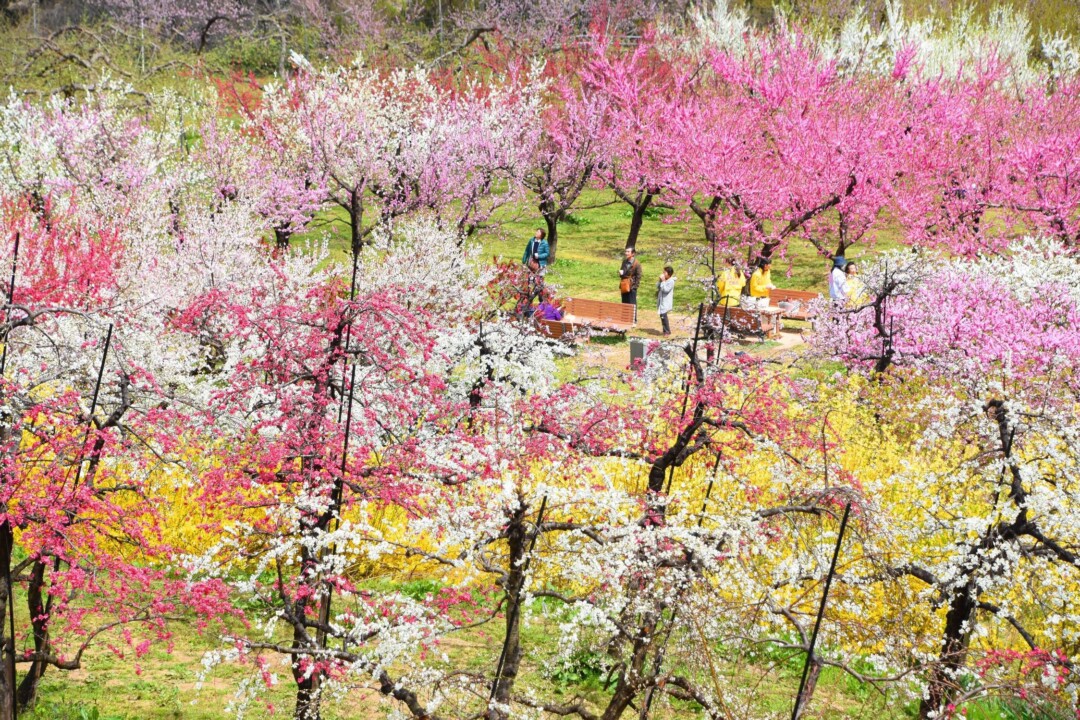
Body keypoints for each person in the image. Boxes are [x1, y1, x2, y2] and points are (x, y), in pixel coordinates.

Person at [657, 265, 675, 336]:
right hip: (661, 300)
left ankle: (667, 331)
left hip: (666, 301)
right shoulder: (664, 280)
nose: (663, 274)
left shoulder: (671, 281)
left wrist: (663, 281)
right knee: (662, 316)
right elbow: (658, 287)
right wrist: (660, 281)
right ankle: (665, 331)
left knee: (663, 316)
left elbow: (666, 290)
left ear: (669, 274)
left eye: (665, 272)